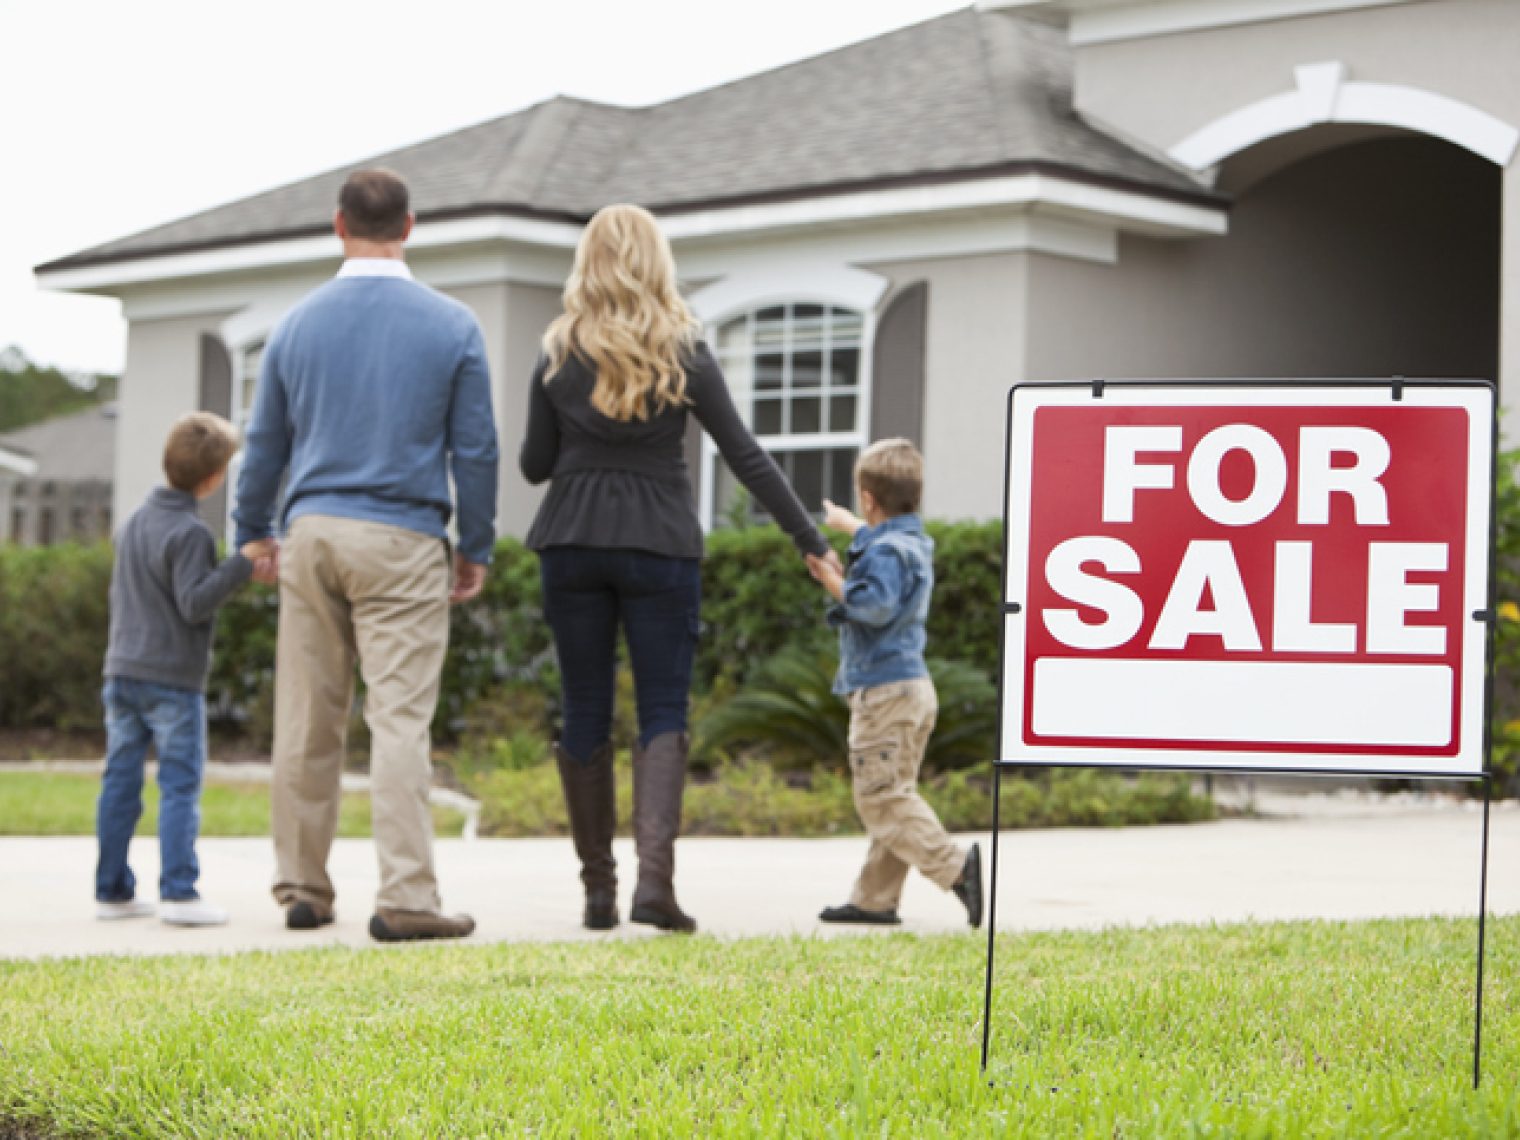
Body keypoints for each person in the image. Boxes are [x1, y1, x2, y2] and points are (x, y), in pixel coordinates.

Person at [520, 203, 835, 935]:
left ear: (587, 263)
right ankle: (652, 887)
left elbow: (535, 466)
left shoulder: (557, 352)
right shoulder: (683, 350)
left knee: (584, 708)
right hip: (660, 542)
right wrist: (810, 541)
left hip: (570, 539)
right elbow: (744, 454)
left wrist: (581, 444)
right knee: (664, 709)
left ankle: (598, 892)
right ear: (657, 262)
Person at [234, 168, 499, 943]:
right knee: (399, 722)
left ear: (337, 224)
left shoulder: (295, 325)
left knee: (308, 720)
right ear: (409, 226)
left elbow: (262, 447)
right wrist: (473, 544)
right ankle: (407, 895)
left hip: (312, 532)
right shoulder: (452, 325)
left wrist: (252, 529)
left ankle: (304, 891)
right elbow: (476, 449)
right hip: (403, 537)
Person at [97, 411, 275, 926]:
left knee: (120, 783)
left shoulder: (133, 522)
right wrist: (241, 563)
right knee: (178, 784)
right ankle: (179, 891)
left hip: (121, 671)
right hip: (170, 679)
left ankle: (112, 890)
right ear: (214, 477)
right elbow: (194, 603)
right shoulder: (189, 533)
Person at [804, 438, 983, 928]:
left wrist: (830, 578)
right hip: (910, 689)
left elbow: (872, 607)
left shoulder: (885, 551)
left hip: (885, 691)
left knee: (881, 797)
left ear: (868, 496)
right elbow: (883, 554)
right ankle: (874, 899)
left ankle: (956, 869)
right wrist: (854, 529)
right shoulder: (912, 542)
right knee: (895, 789)